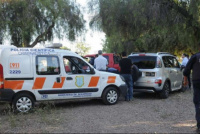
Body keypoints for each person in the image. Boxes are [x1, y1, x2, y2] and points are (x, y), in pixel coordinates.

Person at [183, 44, 200, 133]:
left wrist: (185, 81)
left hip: (197, 81)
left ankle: (199, 125)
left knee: (198, 103)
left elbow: (186, 70)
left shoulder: (195, 57)